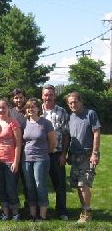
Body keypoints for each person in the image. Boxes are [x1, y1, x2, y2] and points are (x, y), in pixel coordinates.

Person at [66, 92, 101, 223]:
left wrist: (95, 153)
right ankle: (84, 211)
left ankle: (87, 213)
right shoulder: (70, 117)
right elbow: (69, 137)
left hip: (87, 155)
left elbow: (96, 133)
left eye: (75, 102)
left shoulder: (90, 114)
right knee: (77, 185)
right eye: (70, 103)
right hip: (74, 156)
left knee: (83, 185)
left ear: (81, 101)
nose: (73, 105)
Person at [22, 98, 55, 221]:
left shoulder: (46, 123)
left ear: (38, 109)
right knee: (30, 186)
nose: (31, 109)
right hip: (26, 159)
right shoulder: (24, 123)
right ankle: (32, 214)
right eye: (28, 107)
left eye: (33, 107)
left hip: (41, 158)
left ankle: (42, 215)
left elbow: (52, 142)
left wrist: (47, 153)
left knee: (40, 185)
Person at [0, 99, 22, 221]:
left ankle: (15, 213)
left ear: (8, 108)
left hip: (10, 161)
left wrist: (16, 161)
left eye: (3, 107)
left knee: (11, 188)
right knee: (1, 188)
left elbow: (18, 144)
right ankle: (5, 212)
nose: (1, 110)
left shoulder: (13, 123)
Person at [41, 84, 69, 220]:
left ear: (54, 96)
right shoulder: (35, 110)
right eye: (46, 95)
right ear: (42, 96)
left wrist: (64, 154)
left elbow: (66, 135)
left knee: (59, 184)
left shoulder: (61, 112)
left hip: (56, 154)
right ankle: (40, 209)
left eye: (51, 95)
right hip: (39, 154)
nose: (48, 97)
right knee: (39, 183)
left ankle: (62, 210)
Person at [9, 88, 28, 209]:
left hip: (27, 151)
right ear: (13, 99)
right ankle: (14, 206)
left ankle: (29, 205)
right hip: (13, 151)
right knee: (13, 181)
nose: (19, 100)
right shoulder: (10, 112)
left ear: (24, 98)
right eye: (16, 97)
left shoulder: (29, 110)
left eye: (21, 97)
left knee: (28, 181)